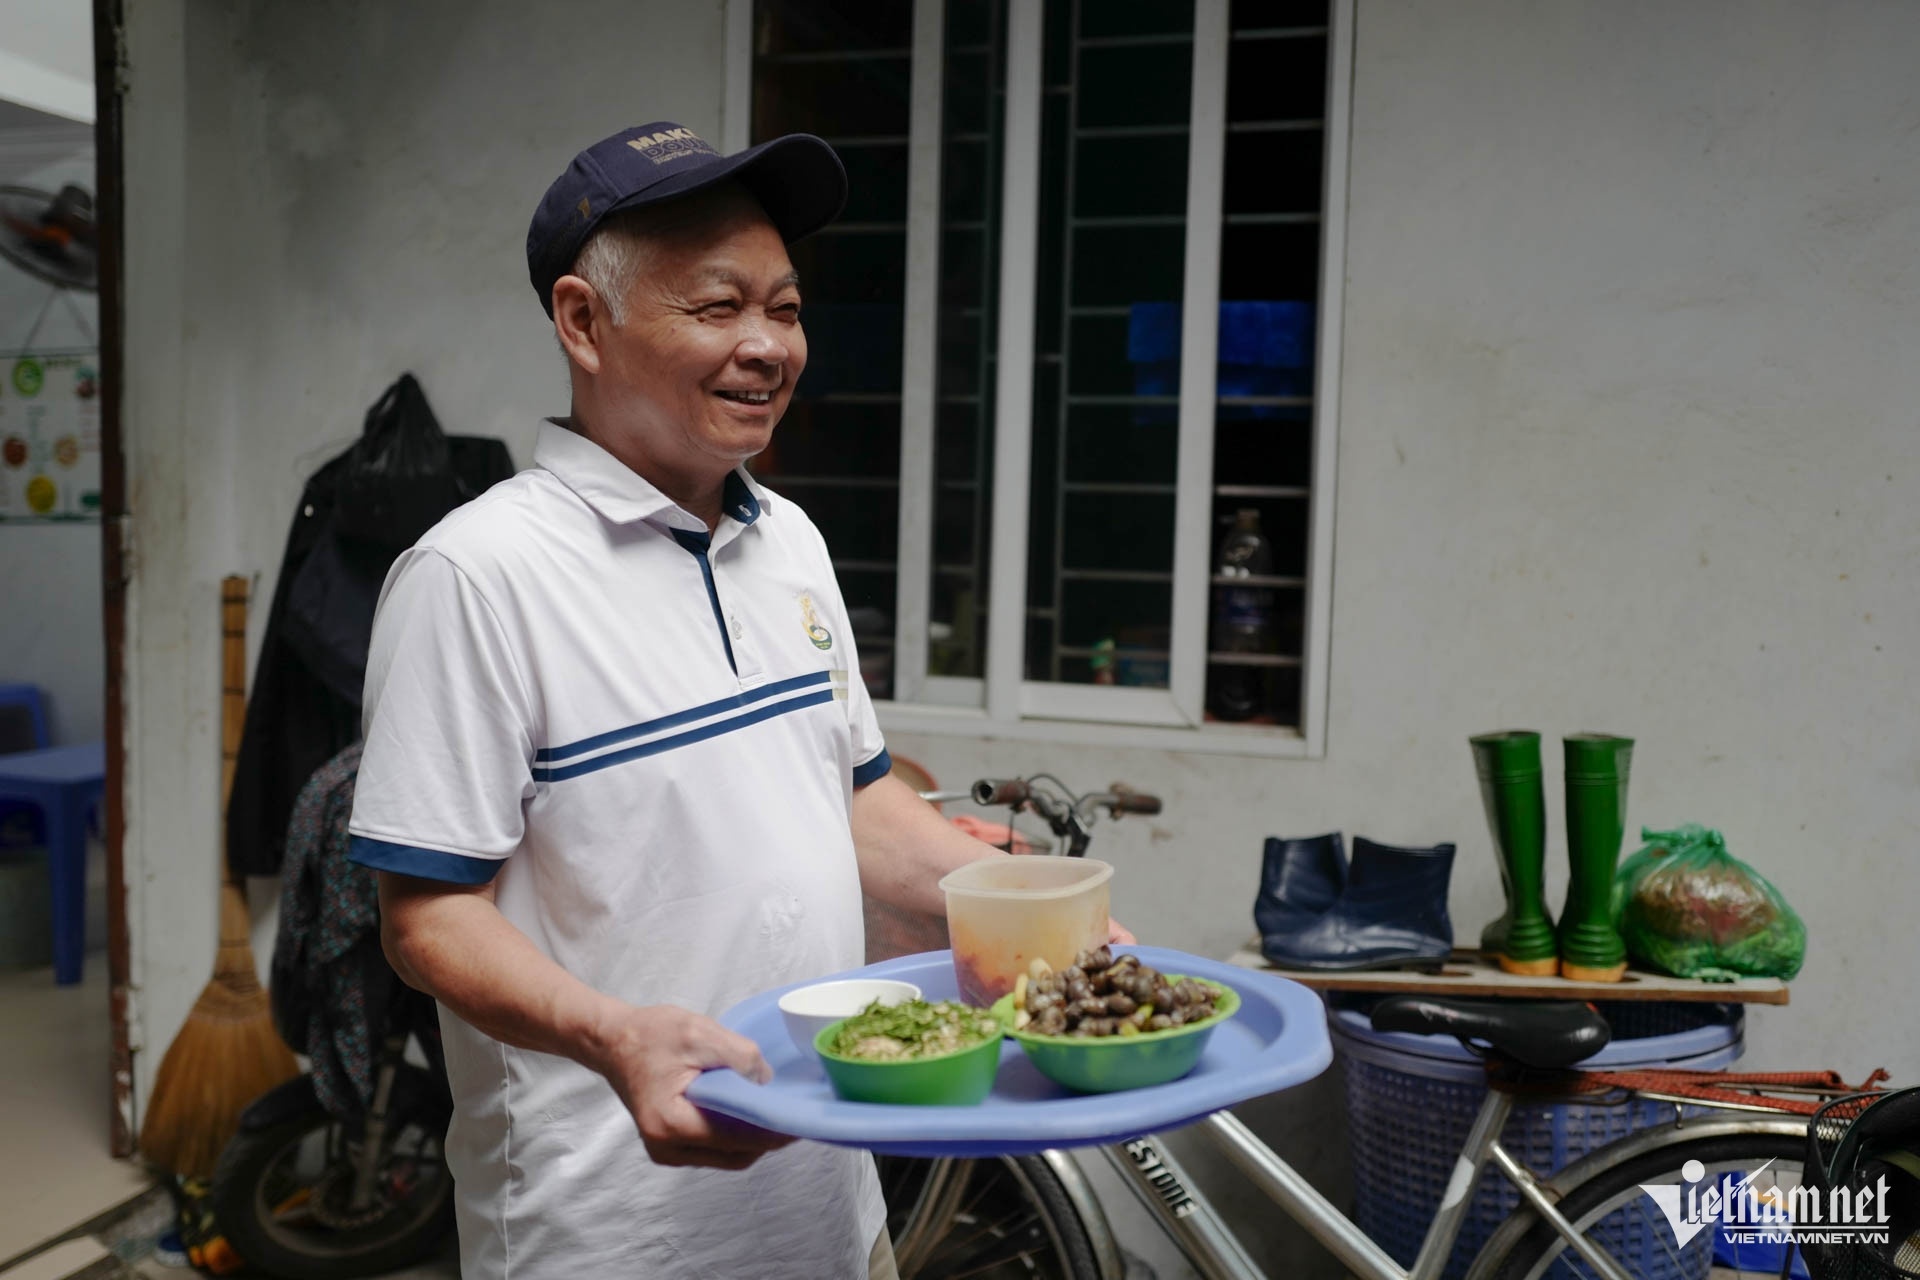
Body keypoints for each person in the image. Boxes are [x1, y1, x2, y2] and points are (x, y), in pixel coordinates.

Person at [347, 122, 1128, 1279]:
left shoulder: (790, 540)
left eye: (788, 307)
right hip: (609, 1225)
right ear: (582, 322)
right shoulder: (478, 577)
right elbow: (424, 918)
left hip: (827, 1179)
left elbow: (851, 798)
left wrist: (1014, 906)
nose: (768, 347)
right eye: (719, 308)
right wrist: (612, 1035)